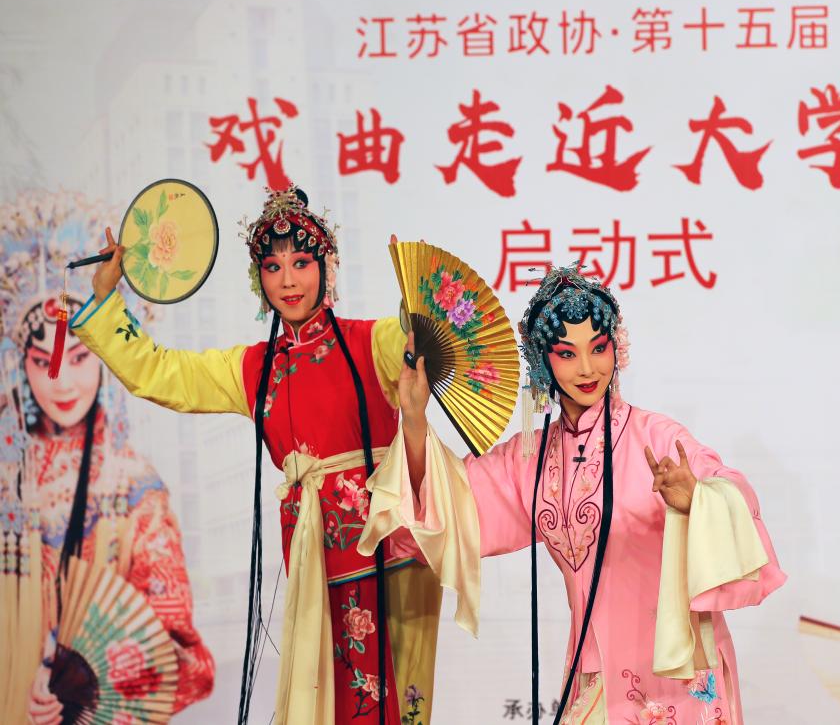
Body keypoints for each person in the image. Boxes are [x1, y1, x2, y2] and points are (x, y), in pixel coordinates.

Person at [67, 186, 441, 724]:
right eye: (272, 267)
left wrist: (417, 304)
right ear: (258, 280)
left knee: (392, 706)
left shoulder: (371, 342)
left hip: (388, 556)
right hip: (314, 562)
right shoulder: (253, 369)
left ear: (327, 268)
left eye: (302, 263)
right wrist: (107, 301)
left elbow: (417, 337)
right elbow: (160, 372)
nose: (288, 280)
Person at [360, 264, 786, 724]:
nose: (587, 368)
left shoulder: (656, 437)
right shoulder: (530, 458)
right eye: (567, 353)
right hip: (594, 669)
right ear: (543, 362)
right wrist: (415, 420)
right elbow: (447, 508)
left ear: (616, 348)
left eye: (598, 348)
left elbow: (734, 491)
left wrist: (698, 499)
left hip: (678, 672)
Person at [0, 190, 214, 724]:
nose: (63, 381)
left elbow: (177, 649)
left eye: (80, 356)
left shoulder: (134, 487)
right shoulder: (7, 483)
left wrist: (83, 684)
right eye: (44, 360)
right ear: (20, 365)